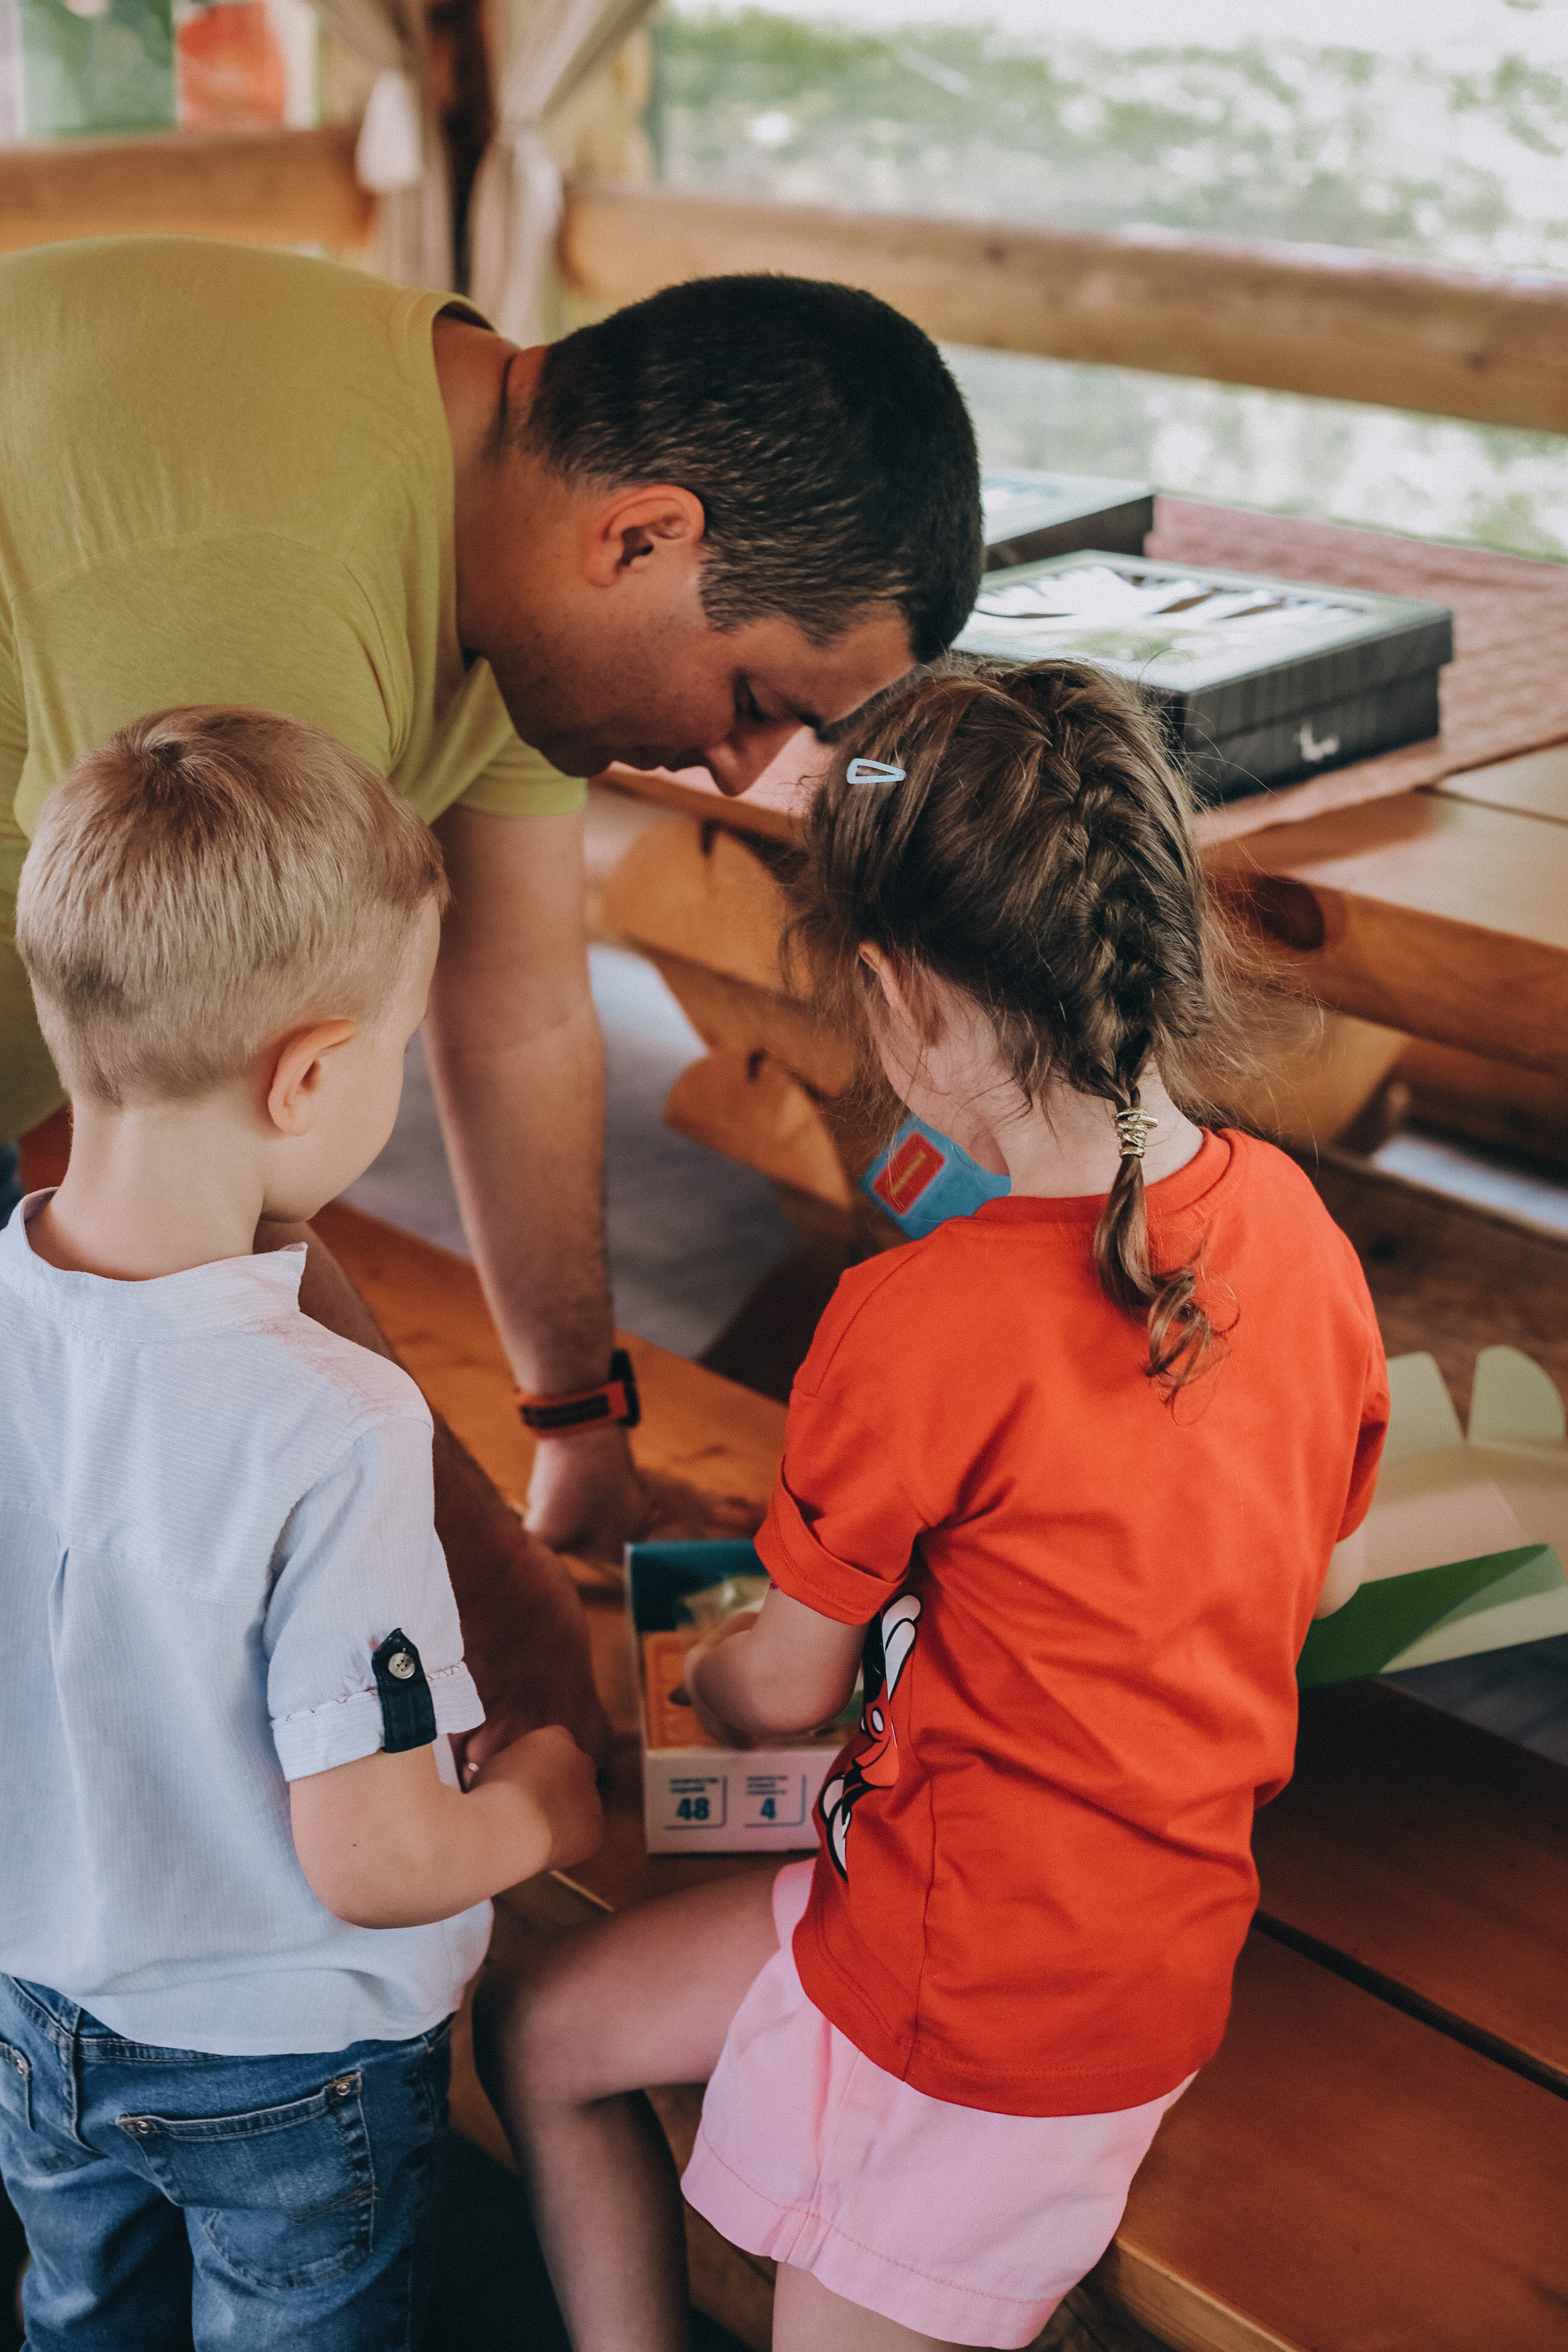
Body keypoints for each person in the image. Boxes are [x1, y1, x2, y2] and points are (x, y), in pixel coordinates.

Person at [474, 661, 1390, 2352]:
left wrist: (725, 1659)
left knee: (560, 2016)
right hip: (1131, 1947)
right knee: (547, 2029)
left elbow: (784, 1695)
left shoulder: (917, 1319)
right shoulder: (1301, 1236)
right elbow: (1306, 1590)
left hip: (963, 2015)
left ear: (898, 996)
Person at [0, 238, 985, 1762]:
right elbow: (163, 1186)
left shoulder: (517, 535)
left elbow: (516, 1009)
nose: (738, 773)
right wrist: (487, 1593)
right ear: (646, 537)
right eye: (752, 702)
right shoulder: (272, 581)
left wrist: (575, 1438)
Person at [0, 707, 603, 2348]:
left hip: (39, 2021)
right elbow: (384, 1852)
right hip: (287, 2072)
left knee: (80, 2322)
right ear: (313, 1075)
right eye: (397, 1048)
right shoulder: (332, 1422)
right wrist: (545, 1805)